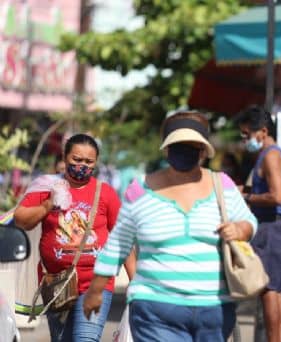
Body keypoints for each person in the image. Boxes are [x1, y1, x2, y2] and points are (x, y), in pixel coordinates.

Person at [82, 110, 257, 341]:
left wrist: (240, 229)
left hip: (213, 310)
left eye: (192, 146)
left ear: (203, 152)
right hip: (155, 309)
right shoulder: (140, 189)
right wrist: (96, 289)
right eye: (178, 145)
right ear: (166, 149)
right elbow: (119, 242)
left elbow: (250, 223)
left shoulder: (221, 185)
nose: (184, 151)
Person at [14, 133, 136, 342]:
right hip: (57, 286)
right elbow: (21, 220)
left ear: (96, 163)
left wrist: (136, 282)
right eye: (76, 160)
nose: (82, 166)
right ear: (65, 157)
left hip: (96, 285)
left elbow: (123, 238)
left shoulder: (105, 193)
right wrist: (48, 205)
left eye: (89, 162)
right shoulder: (46, 187)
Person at [235, 106, 281, 342]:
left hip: (272, 227)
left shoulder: (271, 155)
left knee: (269, 291)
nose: (244, 139)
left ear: (263, 131)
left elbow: (277, 196)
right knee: (274, 291)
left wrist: (246, 197)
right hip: (274, 228)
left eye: (246, 134)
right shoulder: (266, 155)